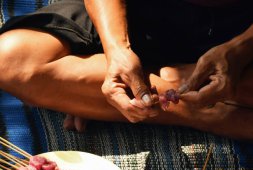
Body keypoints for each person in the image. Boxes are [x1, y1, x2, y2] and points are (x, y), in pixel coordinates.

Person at [0, 0, 253, 140]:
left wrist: (239, 49)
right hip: (134, 13)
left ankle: (87, 94)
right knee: (11, 60)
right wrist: (117, 49)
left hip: (242, 26)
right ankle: (208, 112)